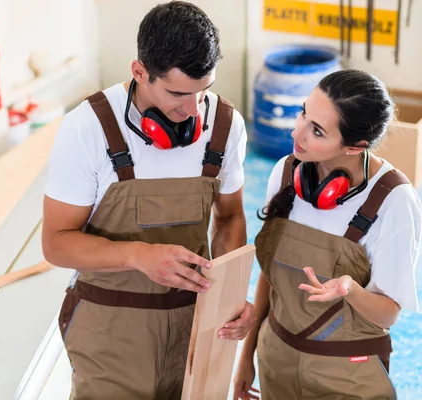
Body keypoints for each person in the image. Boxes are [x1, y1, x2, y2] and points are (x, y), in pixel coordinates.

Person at [41, 2, 255, 399]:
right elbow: (56, 242)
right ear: (139, 71)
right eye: (177, 92)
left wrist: (232, 296)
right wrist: (137, 255)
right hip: (110, 333)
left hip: (196, 328)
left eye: (203, 91)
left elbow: (229, 219)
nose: (194, 110)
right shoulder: (87, 129)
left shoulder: (226, 125)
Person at [233, 69, 422, 400]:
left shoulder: (393, 200)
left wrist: (349, 289)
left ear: (355, 146)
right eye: (304, 113)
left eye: (317, 131)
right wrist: (246, 357)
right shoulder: (285, 173)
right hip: (276, 361)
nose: (297, 133)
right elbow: (272, 276)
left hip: (347, 376)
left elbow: (389, 311)